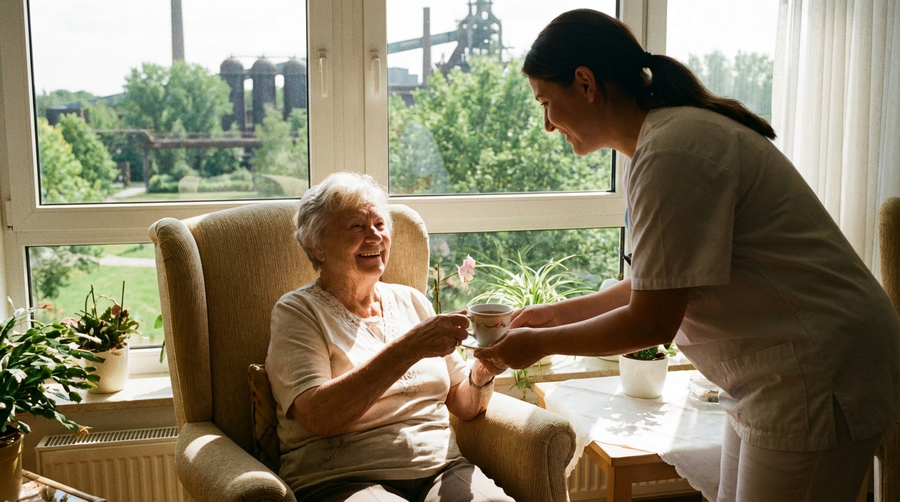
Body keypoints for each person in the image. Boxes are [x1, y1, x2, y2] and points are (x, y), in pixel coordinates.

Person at [475, 9, 900, 502]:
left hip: (816, 370)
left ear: (586, 83)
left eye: (547, 102)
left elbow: (651, 322)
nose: (547, 124)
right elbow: (655, 282)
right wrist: (551, 316)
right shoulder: (656, 148)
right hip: (775, 374)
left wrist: (538, 345)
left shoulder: (673, 151)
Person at [265, 172, 510, 502]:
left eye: (380, 225)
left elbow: (463, 404)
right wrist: (410, 348)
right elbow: (318, 416)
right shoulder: (297, 312)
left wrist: (484, 369)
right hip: (342, 478)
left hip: (441, 468)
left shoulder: (412, 301)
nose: (375, 237)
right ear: (317, 246)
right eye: (356, 227)